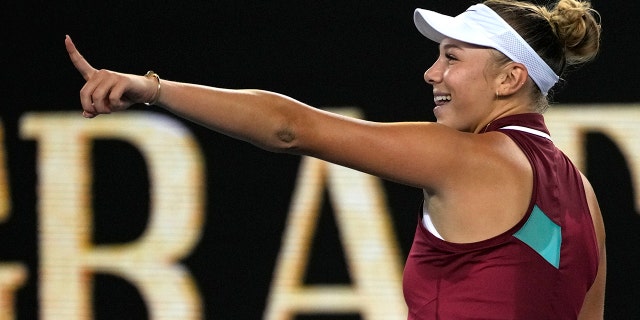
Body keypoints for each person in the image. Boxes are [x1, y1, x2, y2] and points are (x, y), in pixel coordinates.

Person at [65, 0, 605, 318]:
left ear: (510, 79)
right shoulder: (581, 195)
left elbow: (290, 129)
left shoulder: (469, 159)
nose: (432, 73)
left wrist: (153, 89)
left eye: (452, 57)